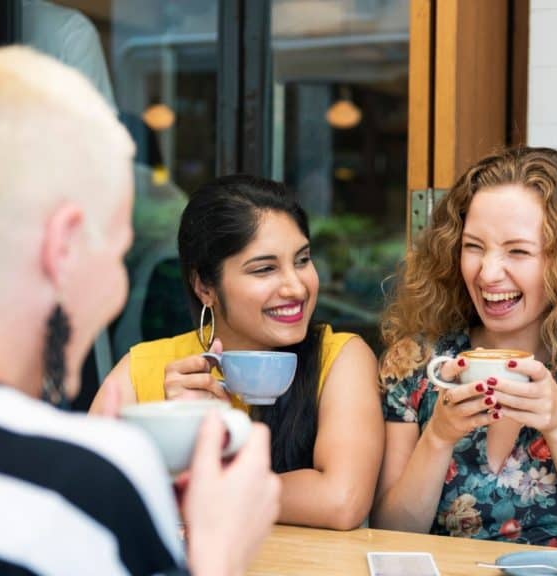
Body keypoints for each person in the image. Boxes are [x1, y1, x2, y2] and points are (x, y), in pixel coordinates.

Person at [0, 46, 279, 575]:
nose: (118, 289)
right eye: (117, 253)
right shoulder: (79, 487)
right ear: (64, 249)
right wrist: (217, 558)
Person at [372, 146, 557, 545]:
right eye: (473, 247)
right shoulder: (416, 362)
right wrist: (438, 438)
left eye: (517, 251)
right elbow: (391, 532)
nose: (488, 273)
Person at [92, 174, 383, 531]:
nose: (296, 286)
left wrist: (194, 491)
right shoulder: (143, 371)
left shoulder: (340, 358)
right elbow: (91, 496)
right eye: (265, 269)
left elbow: (341, 500)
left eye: (303, 260)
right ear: (204, 286)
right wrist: (175, 434)